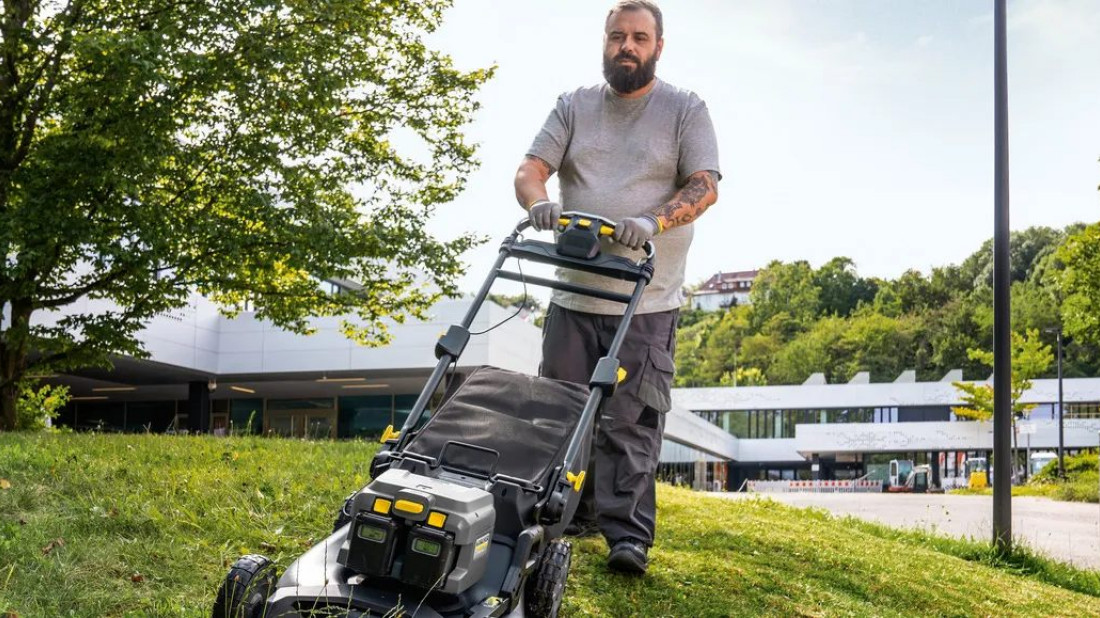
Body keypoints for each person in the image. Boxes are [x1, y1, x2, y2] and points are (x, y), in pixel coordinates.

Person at [513, 0, 720, 575]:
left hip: (645, 300)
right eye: (616, 36)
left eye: (638, 37)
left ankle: (626, 537)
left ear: (658, 46)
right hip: (574, 295)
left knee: (631, 420)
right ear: (604, 42)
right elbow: (530, 169)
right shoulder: (573, 105)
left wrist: (652, 222)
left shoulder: (684, 109)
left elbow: (705, 186)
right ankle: (562, 515)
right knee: (560, 414)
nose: (626, 46)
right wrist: (539, 203)